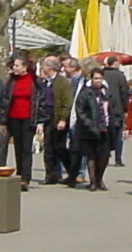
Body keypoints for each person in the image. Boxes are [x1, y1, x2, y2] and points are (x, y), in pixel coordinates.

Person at [0, 53, 40, 185]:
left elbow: (40, 100)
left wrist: (40, 121)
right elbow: (5, 99)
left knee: (26, 149)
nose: (14, 68)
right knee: (18, 147)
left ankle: (25, 177)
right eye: (14, 66)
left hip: (29, 118)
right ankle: (19, 173)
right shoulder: (11, 81)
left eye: (17, 65)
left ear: (25, 67)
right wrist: (2, 118)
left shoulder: (34, 81)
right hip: (14, 117)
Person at [70, 63, 118, 191]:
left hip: (105, 127)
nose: (98, 81)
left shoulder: (106, 92)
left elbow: (112, 108)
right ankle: (92, 181)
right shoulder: (86, 92)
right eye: (95, 78)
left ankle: (99, 179)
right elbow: (80, 110)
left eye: (100, 78)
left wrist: (115, 121)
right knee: (91, 155)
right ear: (91, 79)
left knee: (104, 155)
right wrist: (89, 124)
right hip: (90, 128)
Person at [45, 56, 78, 186]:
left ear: (50, 67)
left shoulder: (63, 82)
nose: (43, 68)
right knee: (48, 148)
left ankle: (72, 172)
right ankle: (51, 175)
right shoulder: (46, 81)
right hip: (47, 117)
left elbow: (67, 102)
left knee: (60, 147)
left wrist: (63, 119)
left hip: (58, 118)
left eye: (44, 65)